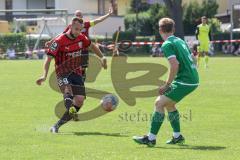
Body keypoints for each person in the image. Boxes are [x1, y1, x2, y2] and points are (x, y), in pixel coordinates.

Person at [133, 18, 199, 147]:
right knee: (169, 105)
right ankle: (177, 136)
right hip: (191, 79)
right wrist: (192, 73)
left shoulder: (167, 44)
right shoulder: (179, 40)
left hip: (185, 81)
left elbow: (175, 65)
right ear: (173, 29)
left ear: (160, 30)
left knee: (159, 103)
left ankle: (151, 138)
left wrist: (167, 85)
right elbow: (193, 58)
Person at [36, 17, 107, 133]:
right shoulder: (58, 41)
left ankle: (57, 126)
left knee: (79, 100)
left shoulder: (81, 38)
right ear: (70, 26)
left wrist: (103, 57)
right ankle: (71, 109)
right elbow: (48, 59)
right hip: (62, 72)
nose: (78, 32)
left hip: (77, 72)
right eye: (76, 29)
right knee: (67, 90)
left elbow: (92, 46)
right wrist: (44, 76)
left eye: (80, 29)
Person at [46, 7, 113, 80]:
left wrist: (108, 15)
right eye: (76, 15)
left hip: (84, 49)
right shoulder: (70, 26)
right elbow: (61, 34)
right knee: (75, 67)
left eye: (79, 15)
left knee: (83, 67)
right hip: (74, 50)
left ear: (82, 17)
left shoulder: (86, 24)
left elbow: (98, 20)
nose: (78, 16)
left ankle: (81, 81)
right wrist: (51, 41)